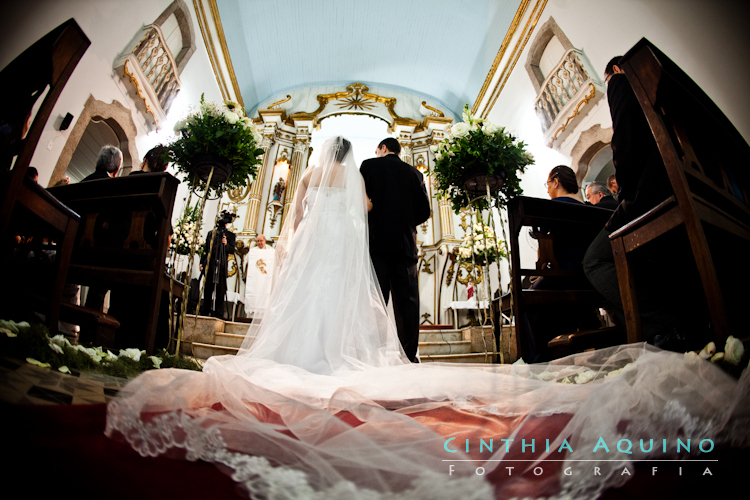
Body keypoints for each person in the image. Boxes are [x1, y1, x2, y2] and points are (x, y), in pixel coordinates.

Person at [106, 137, 748, 500]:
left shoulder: (352, 175)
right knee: (401, 309)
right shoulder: (405, 171)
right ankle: (405, 356)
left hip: (359, 245)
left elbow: (321, 212)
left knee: (362, 299)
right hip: (398, 245)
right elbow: (411, 210)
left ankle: (346, 350)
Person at [583, 56, 677, 348]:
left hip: (650, 194)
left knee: (594, 260)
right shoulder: (662, 91)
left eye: (606, 80)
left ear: (614, 71)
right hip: (673, 186)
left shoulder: (622, 82)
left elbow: (625, 146)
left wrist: (624, 197)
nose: (608, 85)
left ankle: (661, 325)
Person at [360, 137, 431, 362]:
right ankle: (409, 356)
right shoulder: (415, 173)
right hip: (405, 245)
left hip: (377, 244)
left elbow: (361, 202)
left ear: (382, 148)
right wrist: (406, 222)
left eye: (377, 149)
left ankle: (372, 356)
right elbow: (424, 211)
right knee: (407, 304)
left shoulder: (368, 166)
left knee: (375, 302)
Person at [523, 166, 601, 362]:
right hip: (591, 279)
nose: (547, 190)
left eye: (548, 184)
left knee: (528, 300)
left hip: (564, 277)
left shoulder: (551, 207)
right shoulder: (592, 209)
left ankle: (538, 362)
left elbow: (544, 255)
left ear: (556, 182)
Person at [199, 211, 236, 318]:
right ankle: (205, 311)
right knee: (208, 288)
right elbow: (206, 249)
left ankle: (219, 314)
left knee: (220, 290)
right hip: (210, 263)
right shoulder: (211, 233)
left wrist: (226, 244)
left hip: (222, 265)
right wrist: (202, 261)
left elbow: (231, 250)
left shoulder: (230, 235)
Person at [243, 234, 275, 317]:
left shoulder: (271, 251)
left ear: (265, 240)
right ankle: (251, 316)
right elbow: (245, 261)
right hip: (255, 279)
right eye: (258, 241)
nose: (259, 243)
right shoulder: (253, 251)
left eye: (261, 241)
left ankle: (264, 315)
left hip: (265, 279)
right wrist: (247, 263)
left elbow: (274, 263)